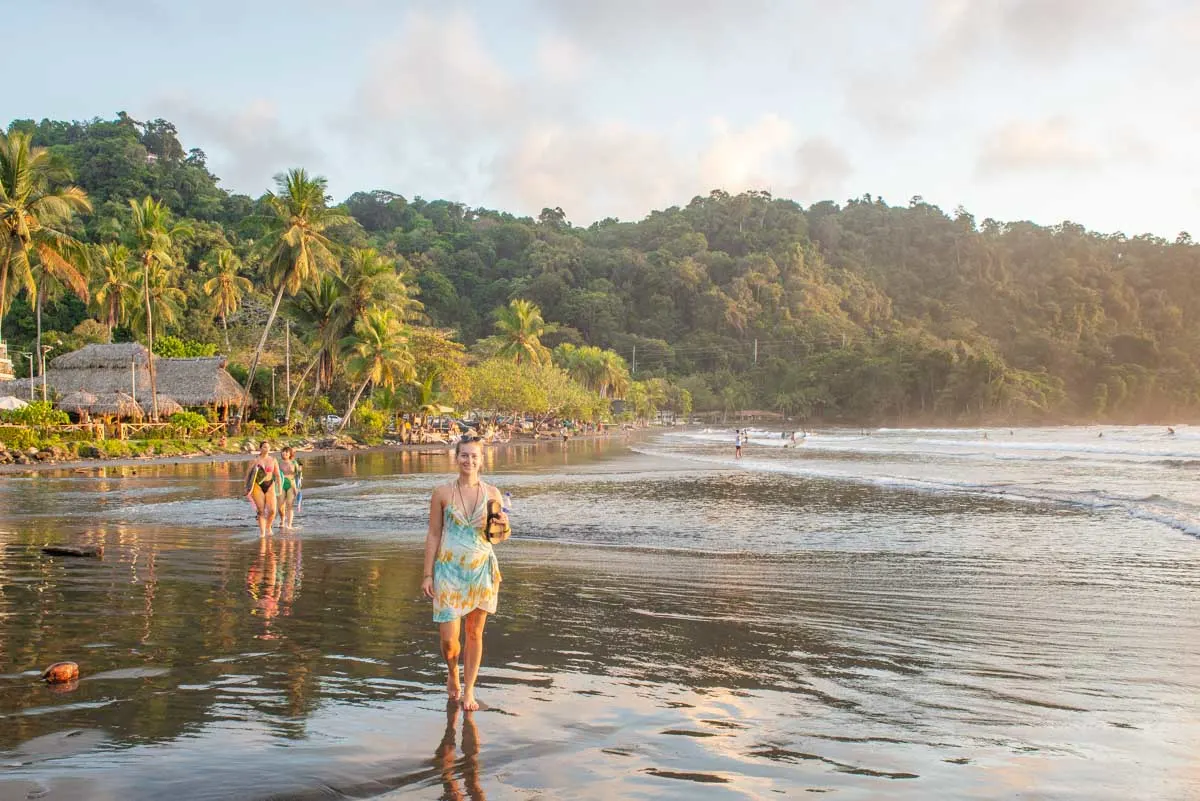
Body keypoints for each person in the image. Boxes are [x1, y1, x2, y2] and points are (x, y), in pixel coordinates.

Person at [422, 436, 511, 711]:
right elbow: (434, 533)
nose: (469, 461)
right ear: (456, 458)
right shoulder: (442, 493)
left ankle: (469, 690)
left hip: (481, 569)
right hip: (448, 571)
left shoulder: (494, 494)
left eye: (474, 456)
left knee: (475, 633)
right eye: (464, 455)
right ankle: (452, 672)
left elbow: (498, 538)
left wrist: (505, 525)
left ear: (481, 460)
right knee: (449, 641)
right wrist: (427, 574)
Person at [244, 441, 282, 537]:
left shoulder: (273, 460)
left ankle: (268, 526)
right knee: (261, 510)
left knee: (273, 510)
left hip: (270, 485)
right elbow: (248, 475)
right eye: (264, 447)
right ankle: (262, 533)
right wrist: (246, 488)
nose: (267, 449)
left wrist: (280, 487)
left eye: (268, 447)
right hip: (257, 486)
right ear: (260, 448)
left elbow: (277, 475)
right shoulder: (255, 460)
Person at [279, 446, 303, 530]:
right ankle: (282, 519)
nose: (284, 453)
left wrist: (298, 487)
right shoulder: (278, 463)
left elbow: (299, 476)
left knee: (290, 504)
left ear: (290, 454)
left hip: (291, 485)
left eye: (287, 452)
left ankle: (289, 525)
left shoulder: (294, 463)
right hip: (281, 485)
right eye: (283, 452)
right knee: (280, 505)